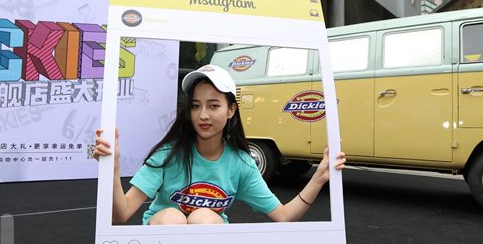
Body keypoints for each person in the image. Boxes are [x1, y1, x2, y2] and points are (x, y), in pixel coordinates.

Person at [93, 64, 346, 225]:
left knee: (204, 218)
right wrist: (112, 168)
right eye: (196, 106)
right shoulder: (168, 155)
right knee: (172, 218)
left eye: (213, 105)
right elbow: (120, 214)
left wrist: (318, 179)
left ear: (231, 110)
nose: (203, 115)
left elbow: (283, 215)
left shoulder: (241, 163)